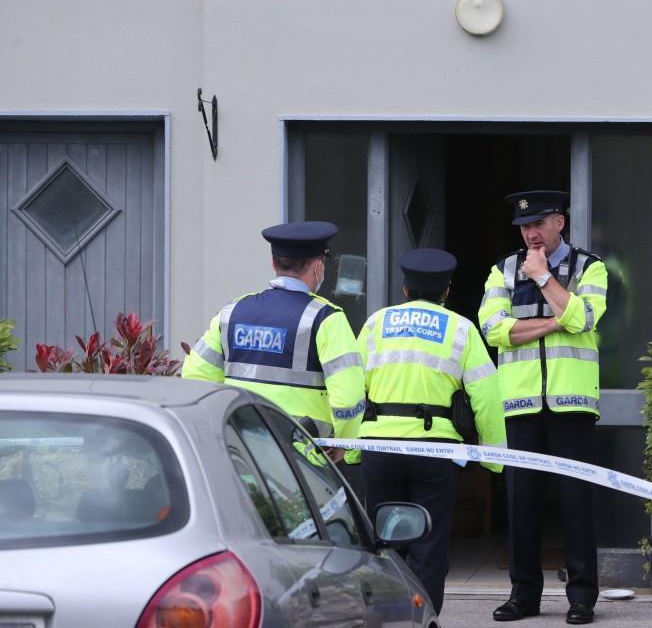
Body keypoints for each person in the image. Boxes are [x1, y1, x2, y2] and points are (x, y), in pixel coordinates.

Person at [352, 248, 506, 615]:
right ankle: (425, 619)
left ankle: (385, 619)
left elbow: (352, 387)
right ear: (446, 291)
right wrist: (494, 457)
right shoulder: (460, 329)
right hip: (435, 453)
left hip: (380, 448)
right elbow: (487, 393)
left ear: (405, 289)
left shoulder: (376, 323)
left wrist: (353, 448)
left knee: (383, 542)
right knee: (429, 546)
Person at [478, 190, 608, 625]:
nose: (530, 232)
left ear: (560, 223)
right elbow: (495, 331)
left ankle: (582, 597)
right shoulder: (501, 270)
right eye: (524, 226)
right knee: (522, 502)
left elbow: (586, 319)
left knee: (576, 501)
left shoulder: (591, 267)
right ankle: (524, 595)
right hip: (520, 403)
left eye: (539, 223)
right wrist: (557, 319)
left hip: (572, 403)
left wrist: (543, 278)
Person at [182, 221, 365, 457]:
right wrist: (344, 444)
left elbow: (195, 377)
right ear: (318, 267)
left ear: (273, 264)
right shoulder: (326, 319)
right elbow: (348, 398)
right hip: (303, 462)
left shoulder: (231, 312)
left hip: (240, 454)